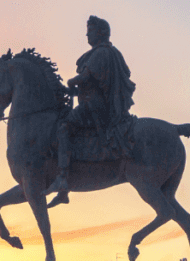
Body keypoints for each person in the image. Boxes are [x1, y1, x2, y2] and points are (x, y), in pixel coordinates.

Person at [47, 16, 136, 207]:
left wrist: (72, 82)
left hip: (93, 106)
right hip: (94, 102)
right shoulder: (105, 53)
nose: (87, 34)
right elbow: (93, 82)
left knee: (63, 127)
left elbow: (87, 76)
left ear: (101, 33)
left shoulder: (102, 53)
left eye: (91, 30)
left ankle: (62, 178)